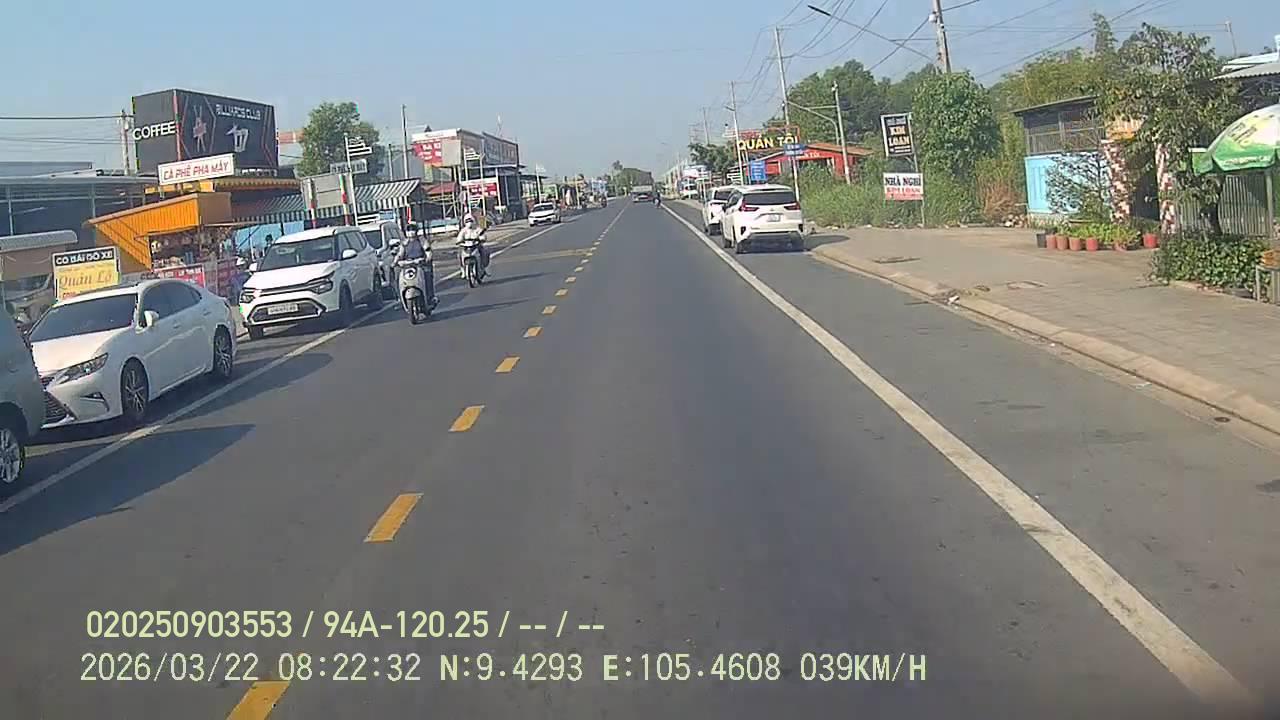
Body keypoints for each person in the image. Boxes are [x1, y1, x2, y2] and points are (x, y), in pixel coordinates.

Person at [395, 222, 437, 306]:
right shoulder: (405, 243)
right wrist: (395, 262)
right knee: (398, 279)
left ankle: (430, 298)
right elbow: (400, 254)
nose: (411, 232)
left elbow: (428, 251)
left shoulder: (421, 240)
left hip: (421, 265)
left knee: (427, 277)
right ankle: (400, 299)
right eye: (408, 230)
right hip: (408, 266)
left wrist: (427, 258)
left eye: (412, 230)